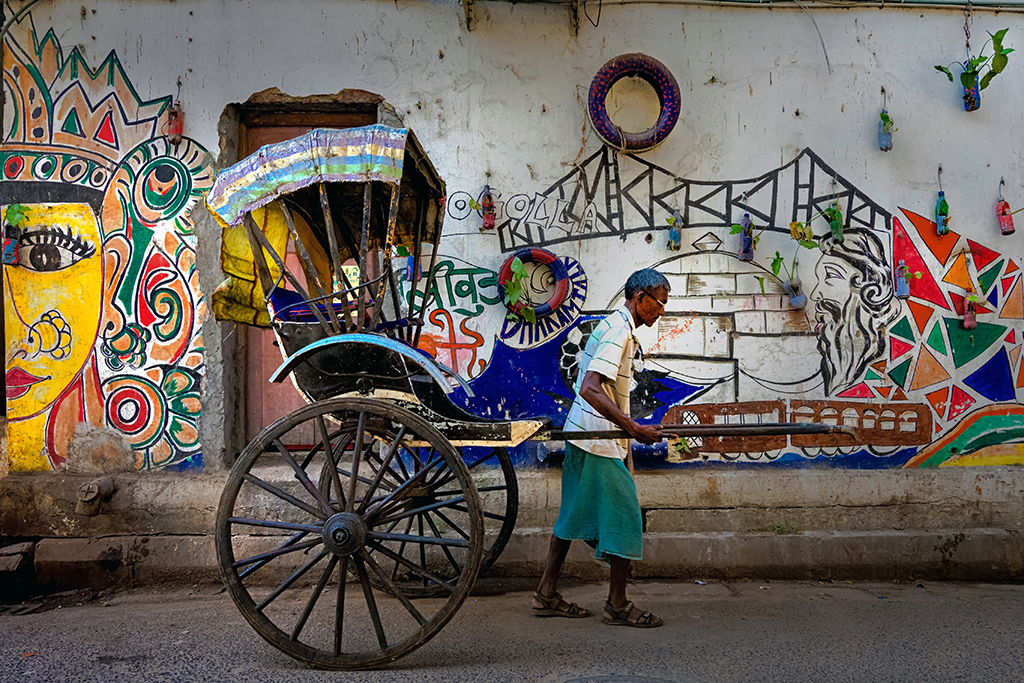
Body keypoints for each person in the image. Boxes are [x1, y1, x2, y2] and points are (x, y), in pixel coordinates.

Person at [532, 268, 670, 628]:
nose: (661, 311)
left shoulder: (615, 327)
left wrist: (629, 430)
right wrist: (633, 428)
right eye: (659, 302)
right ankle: (618, 603)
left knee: (571, 514)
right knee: (626, 514)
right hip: (597, 438)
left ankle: (546, 592)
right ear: (640, 298)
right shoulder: (619, 332)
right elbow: (590, 388)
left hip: (585, 433)